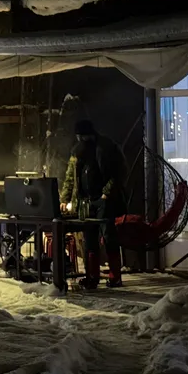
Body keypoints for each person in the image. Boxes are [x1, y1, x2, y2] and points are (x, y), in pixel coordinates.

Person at [60, 119, 126, 289]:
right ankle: (92, 277)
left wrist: (106, 193)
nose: (82, 139)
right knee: (89, 240)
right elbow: (70, 177)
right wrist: (65, 198)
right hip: (85, 201)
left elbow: (118, 172)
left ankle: (115, 277)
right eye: (79, 136)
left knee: (109, 237)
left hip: (104, 201)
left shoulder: (106, 148)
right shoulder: (77, 152)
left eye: (84, 136)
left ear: (91, 134)